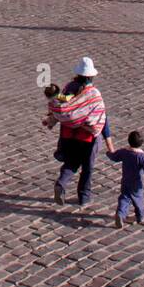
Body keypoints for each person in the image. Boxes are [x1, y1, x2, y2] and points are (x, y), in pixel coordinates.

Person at [44, 57, 113, 208]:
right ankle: (84, 196)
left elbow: (61, 108)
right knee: (87, 167)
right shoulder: (93, 93)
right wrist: (109, 142)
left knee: (72, 161)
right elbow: (102, 116)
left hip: (69, 135)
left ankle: (61, 183)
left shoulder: (68, 88)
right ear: (91, 75)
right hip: (88, 136)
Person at [108, 130, 144, 228]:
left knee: (124, 198)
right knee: (138, 199)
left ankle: (120, 214)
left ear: (129, 141)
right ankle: (141, 216)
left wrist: (109, 153)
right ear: (141, 143)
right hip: (136, 183)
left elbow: (115, 156)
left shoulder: (124, 152)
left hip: (126, 181)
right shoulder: (141, 157)